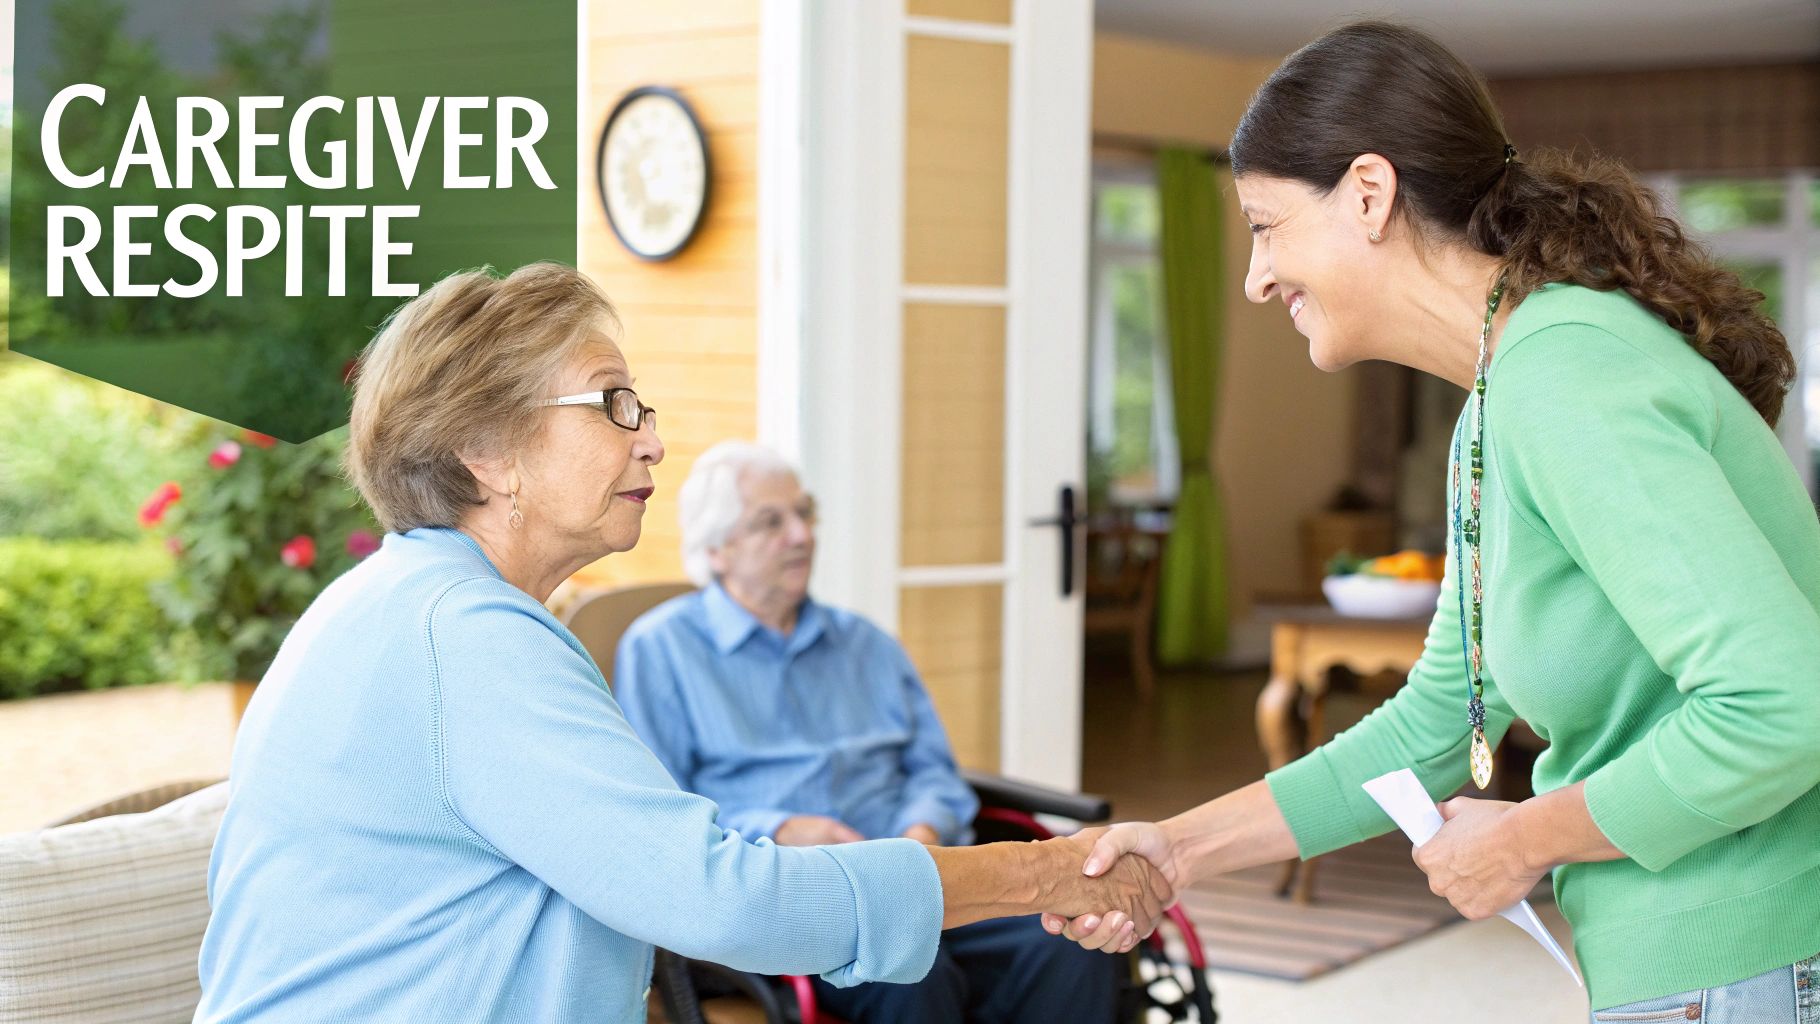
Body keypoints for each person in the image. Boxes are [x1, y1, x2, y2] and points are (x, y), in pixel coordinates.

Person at [1044, 21, 1820, 1023]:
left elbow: (1783, 702)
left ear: (1367, 194)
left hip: (1747, 956)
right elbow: (1437, 722)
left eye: (1264, 224)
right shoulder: (1500, 402)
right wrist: (1180, 848)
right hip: (1692, 960)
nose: (1255, 276)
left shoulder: (1563, 375)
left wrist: (1526, 835)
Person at [191, 263, 1170, 1023]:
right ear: (484, 454)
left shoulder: (422, 605)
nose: (651, 438)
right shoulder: (464, 637)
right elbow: (721, 898)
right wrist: (1039, 871)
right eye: (613, 403)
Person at [614, 441, 1123, 1024]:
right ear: (716, 549)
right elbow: (662, 814)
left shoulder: (866, 644)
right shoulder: (662, 651)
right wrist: (780, 829)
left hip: (927, 880)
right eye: (770, 522)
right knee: (907, 970)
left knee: (1075, 947)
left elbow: (934, 770)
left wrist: (923, 829)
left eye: (804, 514)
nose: (802, 535)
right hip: (795, 900)